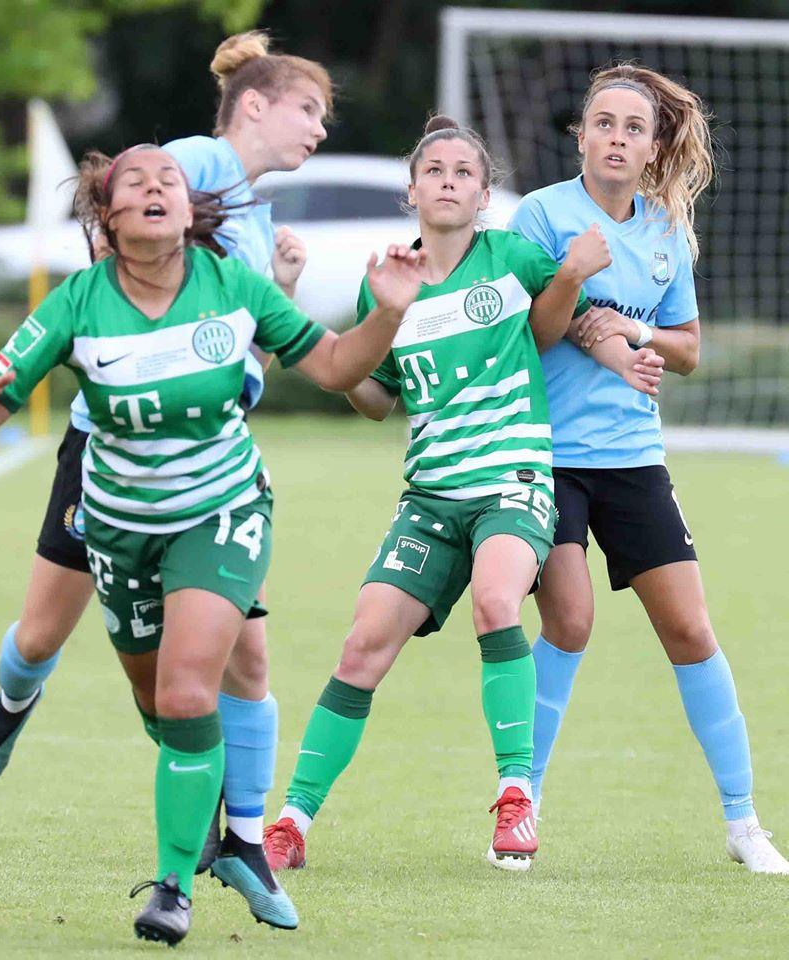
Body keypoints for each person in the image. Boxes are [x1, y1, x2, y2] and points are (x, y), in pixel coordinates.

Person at [0, 145, 429, 943]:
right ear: (107, 216)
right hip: (117, 528)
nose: (154, 187)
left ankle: (175, 885)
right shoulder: (77, 302)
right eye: (134, 182)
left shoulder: (233, 287)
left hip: (221, 513)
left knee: (186, 695)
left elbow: (335, 365)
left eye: (167, 180)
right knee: (160, 709)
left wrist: (385, 313)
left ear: (187, 210)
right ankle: (231, 841)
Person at [0, 31, 330, 919]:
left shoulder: (256, 218)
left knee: (245, 657)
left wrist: (279, 291)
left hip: (207, 477)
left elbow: (242, 357)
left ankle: (237, 840)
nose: (319, 129)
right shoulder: (194, 162)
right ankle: (13, 699)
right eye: (309, 109)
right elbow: (122, 253)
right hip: (110, 456)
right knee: (42, 636)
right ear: (254, 104)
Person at [259, 114, 645, 874]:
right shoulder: (390, 281)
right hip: (430, 499)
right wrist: (326, 308)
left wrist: (615, 341)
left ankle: (515, 798)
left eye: (463, 172)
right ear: (410, 191)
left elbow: (566, 323)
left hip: (513, 480)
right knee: (361, 647)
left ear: (483, 196)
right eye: (433, 170)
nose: (447, 181)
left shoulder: (511, 257)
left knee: (497, 604)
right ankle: (291, 823)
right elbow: (371, 397)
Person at [508, 63, 789, 874]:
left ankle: (742, 823)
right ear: (581, 136)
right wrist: (573, 283)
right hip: (548, 457)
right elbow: (532, 330)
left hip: (633, 460)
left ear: (653, 146)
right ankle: (520, 805)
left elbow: (688, 350)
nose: (616, 138)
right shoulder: (540, 216)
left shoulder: (665, 231)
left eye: (633, 128)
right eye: (603, 123)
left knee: (691, 630)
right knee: (569, 622)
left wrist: (632, 333)